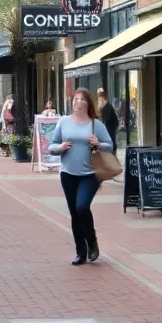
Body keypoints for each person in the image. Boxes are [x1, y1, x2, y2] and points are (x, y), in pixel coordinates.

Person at [48, 88, 114, 265]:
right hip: (68, 174)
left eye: (83, 100)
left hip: (90, 174)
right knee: (74, 214)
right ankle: (80, 252)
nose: (79, 102)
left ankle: (91, 241)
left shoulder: (95, 124)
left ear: (88, 104)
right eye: (76, 99)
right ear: (72, 103)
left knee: (82, 207)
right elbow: (51, 147)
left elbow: (110, 145)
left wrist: (98, 143)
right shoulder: (64, 122)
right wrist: (60, 147)